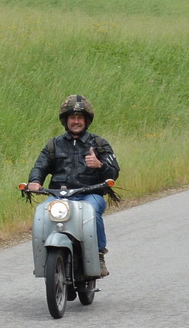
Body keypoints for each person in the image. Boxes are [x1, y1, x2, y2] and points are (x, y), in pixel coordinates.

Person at [27, 94, 120, 276]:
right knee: (42, 213)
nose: (76, 121)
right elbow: (40, 165)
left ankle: (99, 254)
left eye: (79, 118)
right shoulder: (54, 144)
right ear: (65, 120)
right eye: (72, 118)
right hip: (59, 196)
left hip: (90, 194)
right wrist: (35, 181)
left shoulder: (99, 144)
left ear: (86, 121)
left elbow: (114, 172)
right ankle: (44, 259)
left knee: (91, 212)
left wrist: (99, 165)